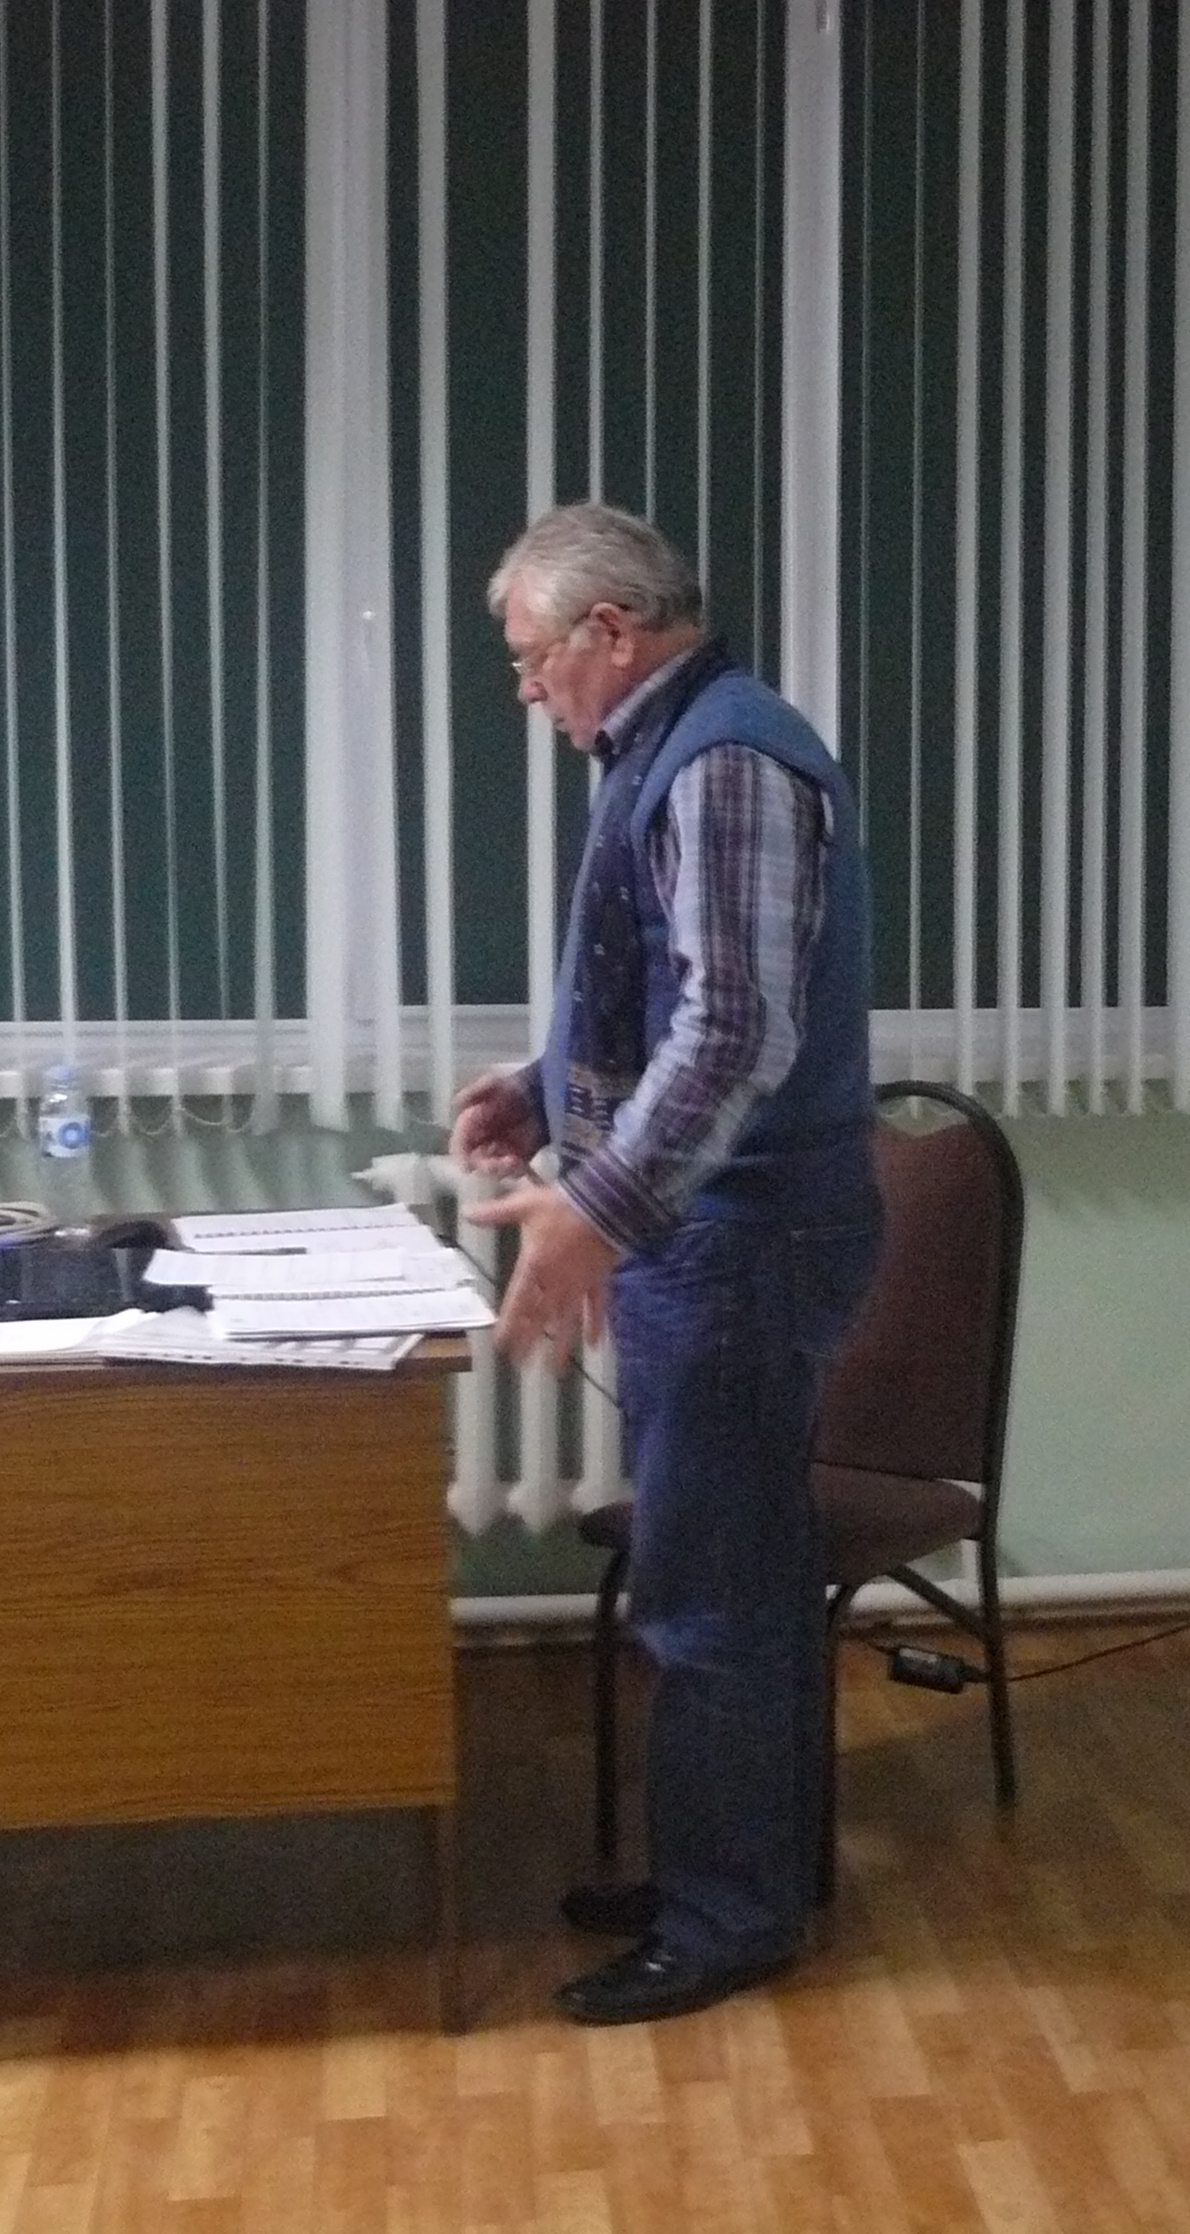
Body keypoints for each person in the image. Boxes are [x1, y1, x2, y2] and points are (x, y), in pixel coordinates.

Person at [452, 502, 881, 2026]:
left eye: (530, 657)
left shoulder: (724, 762)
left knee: (712, 1596)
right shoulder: (676, 747)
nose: (525, 688)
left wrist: (596, 1204)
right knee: (723, 1571)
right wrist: (546, 1086)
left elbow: (737, 1030)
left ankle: (729, 1920)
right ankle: (738, 1868)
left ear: (610, 634)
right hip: (716, 1230)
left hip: (743, 1239)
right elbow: (674, 994)